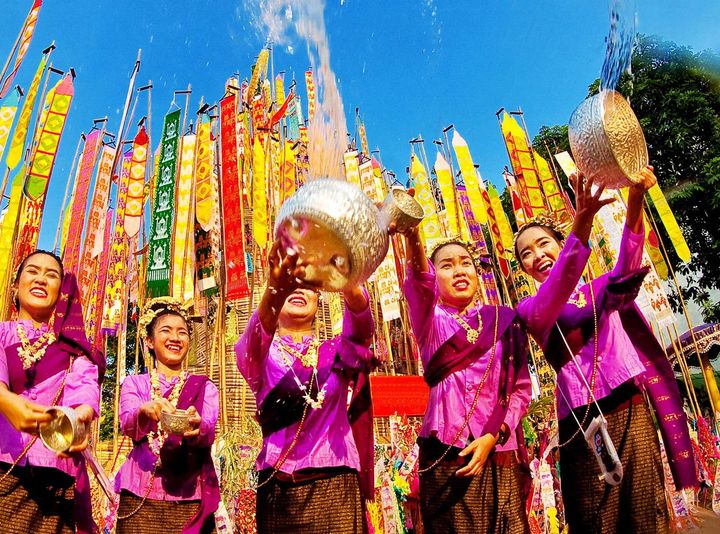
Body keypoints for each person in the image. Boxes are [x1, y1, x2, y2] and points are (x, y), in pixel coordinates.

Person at [395, 174, 606, 533]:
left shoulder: (504, 321)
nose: (459, 269)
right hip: (447, 456)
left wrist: (496, 433)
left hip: (502, 452)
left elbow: (522, 388)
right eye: (446, 265)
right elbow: (418, 281)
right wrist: (413, 233)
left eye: (465, 262)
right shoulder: (430, 323)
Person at [514, 166, 697, 533]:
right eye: (526, 254)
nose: (537, 255)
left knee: (645, 507)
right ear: (522, 269)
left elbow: (628, 264)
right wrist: (581, 224)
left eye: (544, 243)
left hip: (628, 404)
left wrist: (636, 197)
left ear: (560, 242)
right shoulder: (530, 310)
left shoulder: (600, 287)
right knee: (595, 517)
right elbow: (562, 281)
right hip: (578, 421)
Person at [235, 239, 377, 533]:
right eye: (292, 283)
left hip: (336, 484)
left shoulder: (337, 350)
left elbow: (362, 326)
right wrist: (276, 285)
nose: (299, 289)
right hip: (279, 488)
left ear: (319, 297)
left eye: (309, 285)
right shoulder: (261, 355)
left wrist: (347, 281)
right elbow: (256, 334)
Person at [0, 250, 104, 533]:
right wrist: (2, 396)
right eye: (32, 271)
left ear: (61, 293)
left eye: (51, 275)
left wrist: (79, 421)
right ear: (16, 285)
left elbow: (85, 391)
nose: (41, 279)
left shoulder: (75, 353)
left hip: (54, 478)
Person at [114, 296, 219, 534]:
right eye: (166, 331)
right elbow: (128, 424)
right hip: (140, 493)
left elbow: (209, 427)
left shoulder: (204, 387)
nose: (175, 338)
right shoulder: (134, 384)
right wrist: (145, 410)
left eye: (182, 332)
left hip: (190, 496)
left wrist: (196, 425)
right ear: (150, 341)